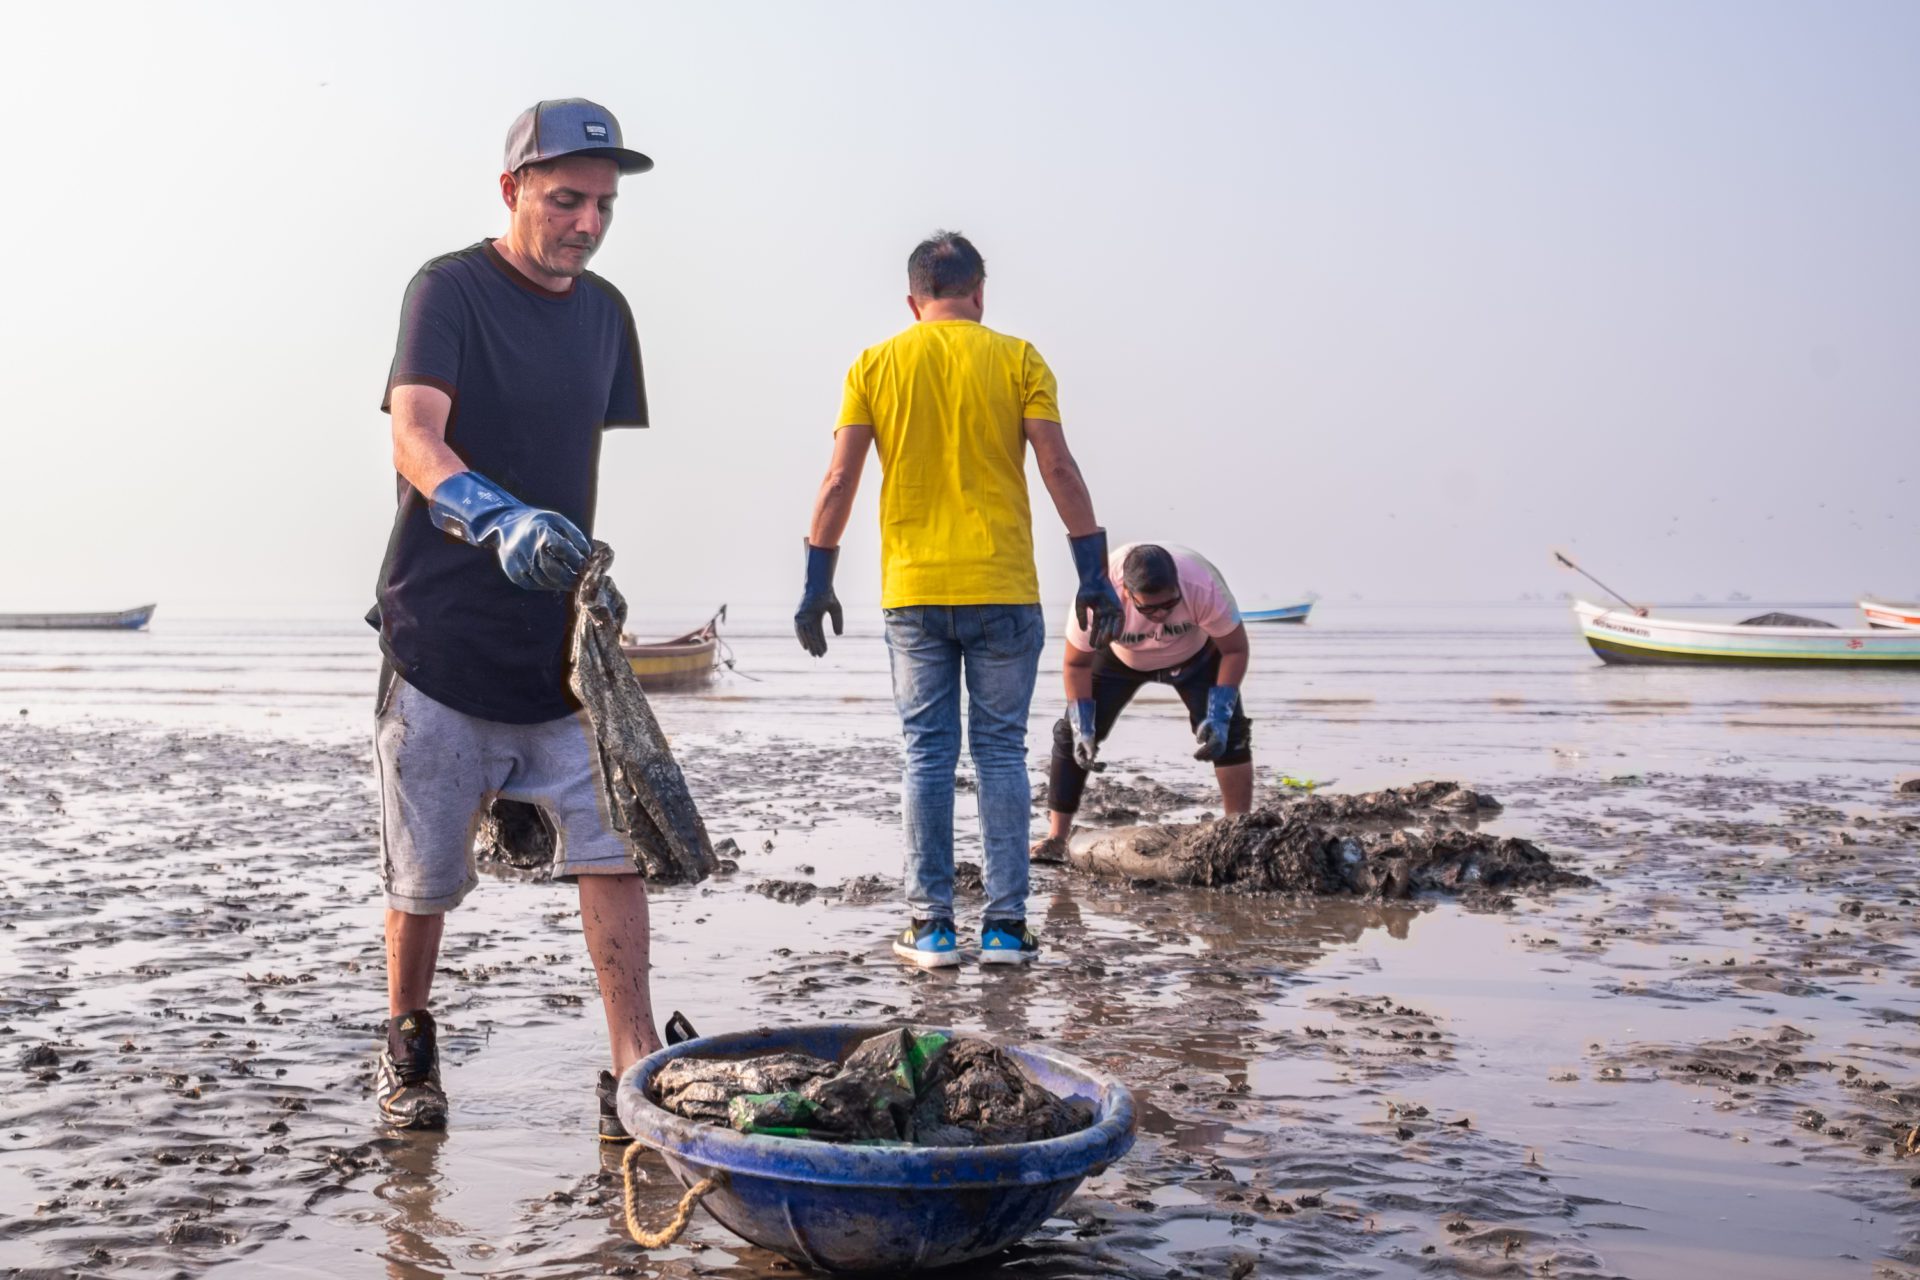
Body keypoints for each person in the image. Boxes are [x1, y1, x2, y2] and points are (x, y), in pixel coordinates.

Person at [369, 99, 661, 1140]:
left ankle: (633, 1063)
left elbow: (570, 452)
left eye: (604, 206)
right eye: (566, 199)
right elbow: (414, 433)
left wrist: (586, 573)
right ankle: (408, 1038)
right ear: (512, 189)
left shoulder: (606, 314)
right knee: (426, 877)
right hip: (441, 640)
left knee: (613, 849)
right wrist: (492, 515)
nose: (587, 224)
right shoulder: (448, 290)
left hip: (559, 650)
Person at [795, 231, 1122, 968]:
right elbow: (1058, 465)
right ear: (979, 293)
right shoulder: (1019, 358)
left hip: (914, 592)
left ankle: (931, 928)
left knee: (927, 754)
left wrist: (818, 580)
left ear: (914, 302)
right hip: (1003, 586)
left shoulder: (875, 364)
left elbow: (840, 479)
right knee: (1001, 751)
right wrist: (1092, 572)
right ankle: (1005, 928)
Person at [1030, 542, 1253, 862]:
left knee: (1230, 733)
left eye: (1169, 604)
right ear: (1126, 592)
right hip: (1119, 659)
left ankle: (1238, 829)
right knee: (1070, 736)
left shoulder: (1202, 585)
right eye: (1149, 609)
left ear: (1178, 585)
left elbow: (1235, 650)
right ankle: (1056, 838)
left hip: (1196, 656)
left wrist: (1220, 714)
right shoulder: (1099, 595)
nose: (1160, 617)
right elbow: (1076, 664)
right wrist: (1082, 726)